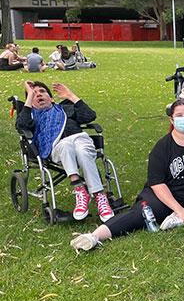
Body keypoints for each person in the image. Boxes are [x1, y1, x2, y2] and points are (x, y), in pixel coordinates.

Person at [70, 99, 184, 252]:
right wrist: (179, 209)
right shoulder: (162, 147)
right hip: (167, 197)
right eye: (180, 115)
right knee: (139, 215)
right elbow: (157, 183)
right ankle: (94, 237)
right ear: (172, 120)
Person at [15, 81, 115, 222]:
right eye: (34, 94)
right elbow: (21, 125)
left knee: (81, 150)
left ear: (52, 98)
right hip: (57, 149)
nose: (38, 95)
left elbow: (89, 116)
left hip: (81, 141)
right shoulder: (31, 115)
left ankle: (98, 197)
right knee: (66, 145)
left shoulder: (65, 108)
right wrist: (29, 97)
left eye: (42, 92)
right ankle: (82, 189)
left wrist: (70, 95)